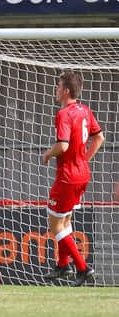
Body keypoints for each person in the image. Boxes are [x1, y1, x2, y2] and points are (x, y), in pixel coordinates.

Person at [42, 71, 104, 286]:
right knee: (65, 220)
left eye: (58, 86)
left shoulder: (64, 114)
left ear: (66, 90)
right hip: (82, 173)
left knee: (55, 224)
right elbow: (99, 137)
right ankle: (62, 265)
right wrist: (83, 159)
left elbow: (63, 145)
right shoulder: (85, 110)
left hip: (67, 176)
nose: (56, 90)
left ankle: (83, 268)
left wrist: (49, 153)